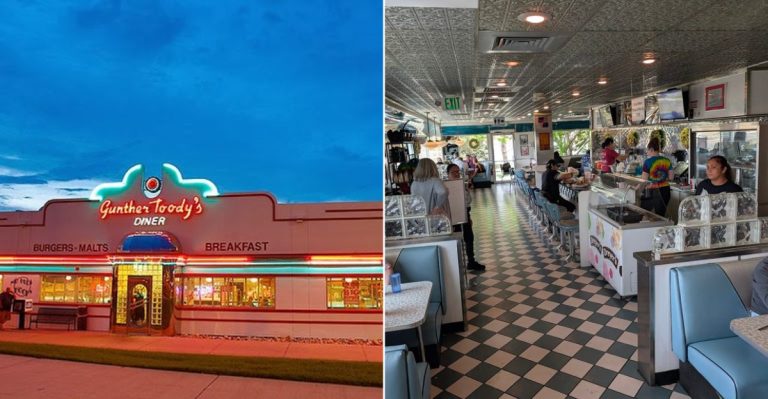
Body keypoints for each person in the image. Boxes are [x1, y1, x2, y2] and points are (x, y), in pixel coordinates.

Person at [447, 163, 485, 271]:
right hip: (452, 217)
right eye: (453, 172)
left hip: (464, 214)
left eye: (457, 171)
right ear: (448, 173)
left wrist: (467, 191)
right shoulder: (446, 186)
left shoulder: (461, 184)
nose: (456, 174)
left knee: (469, 237)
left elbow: (468, 201)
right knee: (456, 240)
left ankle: (471, 261)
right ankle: (456, 264)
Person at [640, 137, 673, 216]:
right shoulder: (667, 160)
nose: (647, 152)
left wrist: (638, 189)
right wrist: (662, 178)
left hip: (652, 191)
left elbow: (644, 180)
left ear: (651, 149)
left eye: (647, 150)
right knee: (661, 215)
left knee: (646, 214)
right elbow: (671, 178)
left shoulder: (648, 162)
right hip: (665, 190)